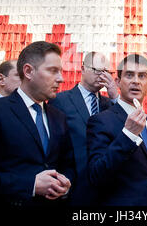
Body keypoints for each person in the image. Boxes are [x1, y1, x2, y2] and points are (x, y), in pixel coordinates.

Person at [0, 41, 76, 206]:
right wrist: (31, 185)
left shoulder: (59, 117)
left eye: (61, 72)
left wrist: (65, 183)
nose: (61, 79)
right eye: (53, 71)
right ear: (28, 71)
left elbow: (68, 164)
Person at [87, 54, 147, 206]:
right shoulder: (101, 121)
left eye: (142, 76)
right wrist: (128, 135)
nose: (136, 81)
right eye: (129, 75)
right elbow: (96, 175)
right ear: (118, 82)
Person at [49, 52, 118, 205]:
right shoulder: (60, 101)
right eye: (98, 70)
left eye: (107, 72)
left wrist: (115, 97)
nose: (102, 76)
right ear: (83, 69)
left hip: (107, 187)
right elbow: (53, 147)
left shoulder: (110, 105)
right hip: (74, 186)